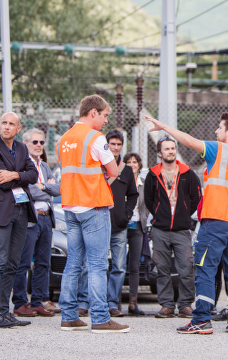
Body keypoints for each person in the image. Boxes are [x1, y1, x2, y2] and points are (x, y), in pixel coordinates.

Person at [144, 112, 228, 335]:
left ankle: (202, 319)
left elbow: (188, 140)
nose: (216, 132)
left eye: (219, 128)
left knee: (205, 268)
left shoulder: (221, 149)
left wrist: (164, 127)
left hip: (216, 220)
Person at [56, 94, 129, 333]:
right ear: (93, 112)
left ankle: (68, 315)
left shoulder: (63, 139)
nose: (106, 120)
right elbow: (114, 170)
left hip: (71, 207)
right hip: (93, 206)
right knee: (98, 264)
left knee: (73, 262)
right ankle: (100, 318)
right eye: (105, 115)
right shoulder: (95, 138)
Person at [0, 112, 39, 328]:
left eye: (11, 124)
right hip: (2, 210)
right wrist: (21, 174)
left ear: (18, 128)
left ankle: (4, 311)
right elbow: (2, 182)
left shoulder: (23, 148)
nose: (7, 127)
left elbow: (33, 175)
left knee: (13, 263)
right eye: (4, 123)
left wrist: (15, 174)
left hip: (21, 211)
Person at [145, 136, 201, 318]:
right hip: (160, 230)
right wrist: (160, 214)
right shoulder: (152, 175)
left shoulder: (188, 173)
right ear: (159, 153)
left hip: (182, 230)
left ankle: (185, 305)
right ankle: (167, 305)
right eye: (167, 149)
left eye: (173, 148)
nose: (171, 151)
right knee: (162, 269)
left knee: (186, 268)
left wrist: (183, 214)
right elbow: (148, 200)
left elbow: (196, 198)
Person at [11, 129, 60, 318]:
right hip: (30, 219)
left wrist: (44, 186)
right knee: (23, 262)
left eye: (41, 142)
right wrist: (46, 188)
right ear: (25, 144)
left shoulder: (45, 166)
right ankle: (21, 303)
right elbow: (27, 191)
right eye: (35, 142)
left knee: (43, 262)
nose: (39, 145)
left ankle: (38, 302)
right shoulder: (21, 165)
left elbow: (58, 189)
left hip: (47, 218)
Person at [104, 130, 139, 318]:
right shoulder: (99, 165)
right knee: (98, 266)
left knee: (119, 267)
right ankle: (96, 302)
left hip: (119, 225)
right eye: (112, 144)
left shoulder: (126, 170)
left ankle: (112, 303)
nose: (116, 148)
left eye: (119, 144)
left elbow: (133, 195)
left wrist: (126, 214)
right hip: (100, 223)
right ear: (106, 145)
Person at [123, 152, 150, 316]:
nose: (132, 164)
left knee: (134, 266)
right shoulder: (120, 182)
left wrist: (145, 217)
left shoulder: (144, 184)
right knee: (118, 265)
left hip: (138, 227)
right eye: (129, 162)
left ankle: (133, 302)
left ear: (139, 165)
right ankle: (114, 301)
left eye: (135, 162)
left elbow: (147, 204)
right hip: (121, 226)